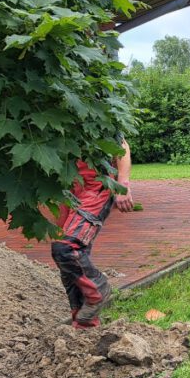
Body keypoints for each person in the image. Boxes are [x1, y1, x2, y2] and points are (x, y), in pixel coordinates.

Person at [50, 138, 134, 329]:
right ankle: (83, 323)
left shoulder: (88, 109)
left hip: (96, 187)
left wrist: (123, 184)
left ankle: (98, 289)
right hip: (68, 191)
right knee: (65, 262)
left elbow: (121, 145)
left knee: (66, 248)